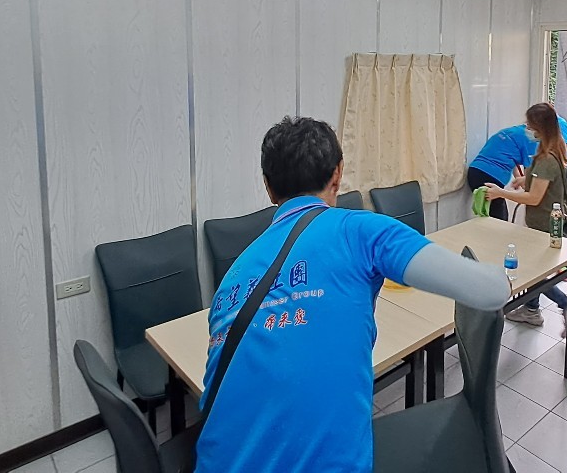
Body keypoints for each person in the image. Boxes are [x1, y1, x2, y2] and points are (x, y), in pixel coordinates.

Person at [196, 117, 513, 473]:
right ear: (338, 174)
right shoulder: (359, 231)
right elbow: (489, 291)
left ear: (268, 188)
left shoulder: (235, 273)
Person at [482, 103, 567, 334]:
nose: (527, 129)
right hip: (548, 223)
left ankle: (566, 304)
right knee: (536, 270)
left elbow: (535, 198)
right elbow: (543, 183)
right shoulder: (554, 149)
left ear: (539, 127)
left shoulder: (546, 158)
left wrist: (500, 193)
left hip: (545, 226)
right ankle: (531, 310)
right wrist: (525, 180)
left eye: (529, 125)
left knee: (533, 274)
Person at [467, 115, 567, 221]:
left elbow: (511, 157)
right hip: (489, 175)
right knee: (498, 220)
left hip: (476, 171)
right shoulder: (531, 140)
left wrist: (519, 178)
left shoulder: (514, 132)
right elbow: (531, 170)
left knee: (491, 217)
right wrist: (528, 186)